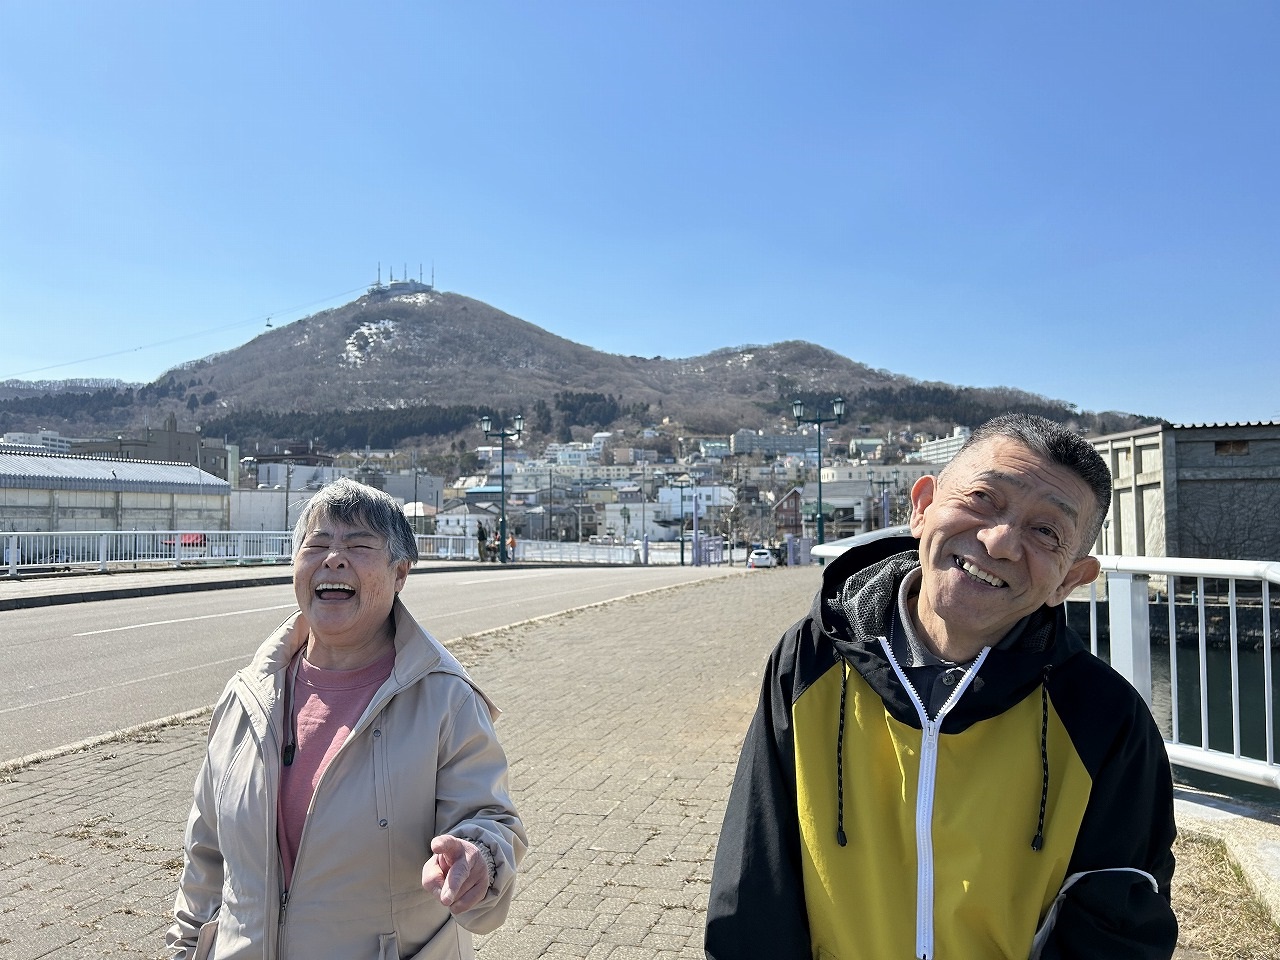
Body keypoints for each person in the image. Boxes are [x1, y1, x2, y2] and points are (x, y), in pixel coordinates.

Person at [705, 413, 1177, 960]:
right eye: (983, 498)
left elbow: (1118, 928)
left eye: (1046, 532)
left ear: (1070, 580)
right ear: (922, 505)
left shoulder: (1104, 718)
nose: (999, 542)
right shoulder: (809, 662)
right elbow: (756, 876)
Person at [169, 478, 527, 960]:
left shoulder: (444, 698)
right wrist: (184, 949)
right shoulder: (247, 698)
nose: (333, 558)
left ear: (400, 573)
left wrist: (478, 858)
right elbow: (206, 855)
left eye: (358, 545)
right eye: (316, 545)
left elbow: (489, 819)